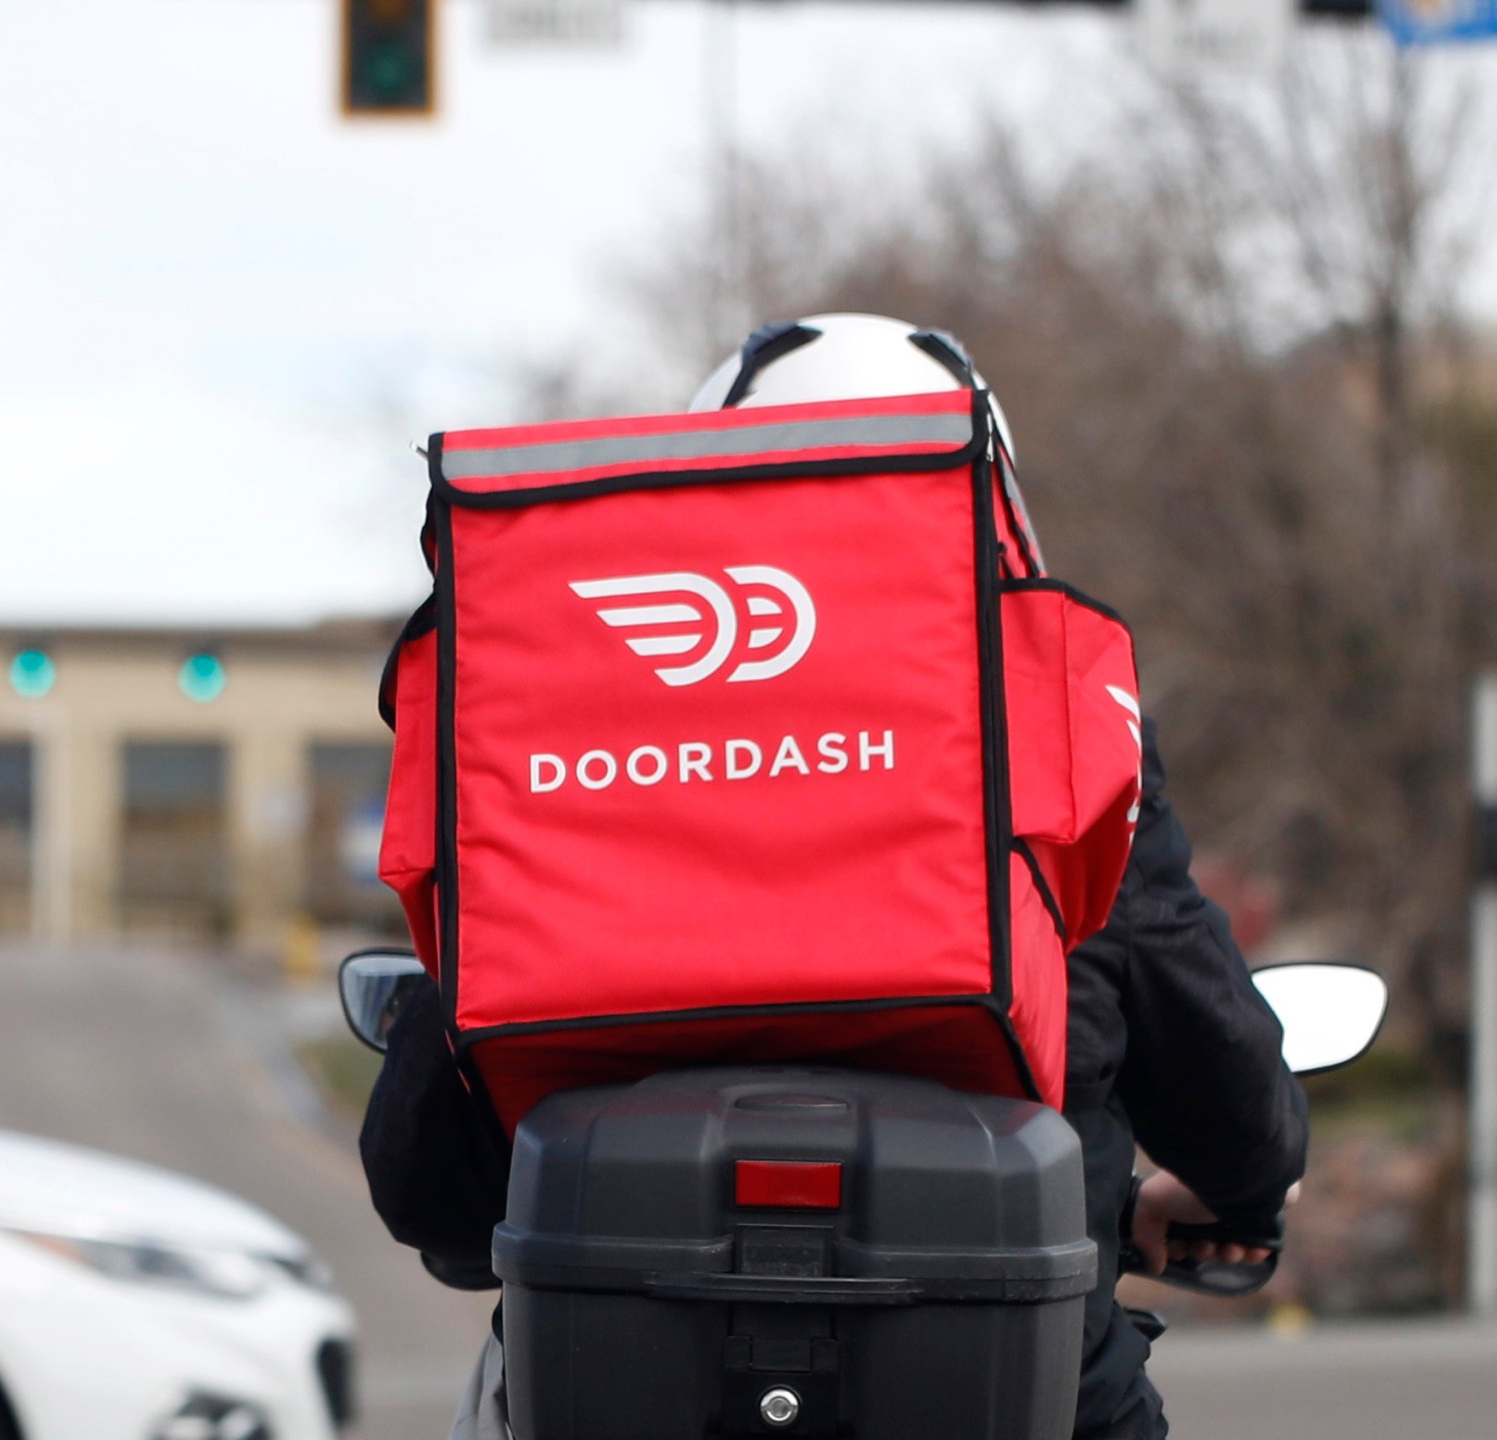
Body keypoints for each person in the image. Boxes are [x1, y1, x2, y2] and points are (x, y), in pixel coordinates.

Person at [360, 314, 1310, 1440]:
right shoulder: (1052, 728)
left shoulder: (566, 746)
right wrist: (1240, 1187)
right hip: (1031, 1401)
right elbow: (1222, 1082)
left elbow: (425, 1184)